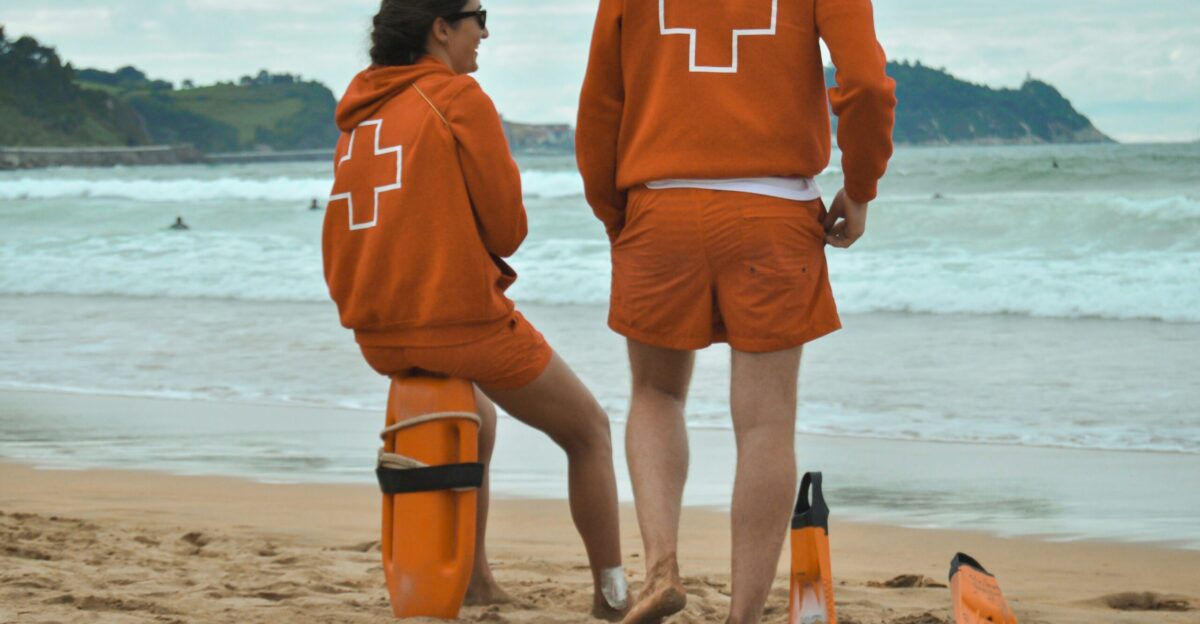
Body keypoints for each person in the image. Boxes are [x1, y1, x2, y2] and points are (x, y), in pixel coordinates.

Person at [576, 0, 896, 622]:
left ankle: (661, 567)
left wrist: (615, 211)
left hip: (659, 202)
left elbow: (600, 102)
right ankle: (742, 616)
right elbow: (865, 83)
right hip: (772, 209)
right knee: (765, 424)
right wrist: (860, 188)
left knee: (656, 394)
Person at [321, 0, 628, 618]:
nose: (485, 31)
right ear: (441, 28)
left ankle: (475, 579)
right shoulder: (460, 98)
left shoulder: (359, 114)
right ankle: (612, 595)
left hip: (377, 330)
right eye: (478, 16)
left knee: (478, 419)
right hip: (456, 325)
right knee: (589, 432)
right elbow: (510, 229)